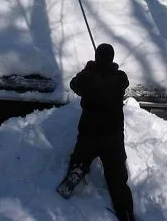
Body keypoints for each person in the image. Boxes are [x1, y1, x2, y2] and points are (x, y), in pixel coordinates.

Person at [66, 43, 134, 221]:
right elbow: (124, 82)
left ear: (96, 58)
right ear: (112, 58)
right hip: (113, 138)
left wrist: (89, 68)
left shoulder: (89, 77)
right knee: (117, 179)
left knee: (79, 161)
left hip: (90, 134)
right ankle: (125, 215)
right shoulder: (119, 77)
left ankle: (73, 180)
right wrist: (109, 68)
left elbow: (74, 84)